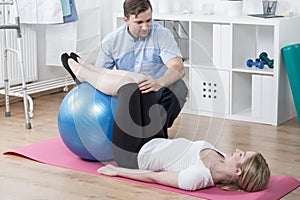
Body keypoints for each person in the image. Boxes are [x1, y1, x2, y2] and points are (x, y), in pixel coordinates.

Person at [61, 52, 270, 193]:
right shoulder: (223, 158)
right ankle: (89, 68)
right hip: (155, 139)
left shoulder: (197, 178)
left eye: (242, 155)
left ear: (237, 172)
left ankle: (82, 74)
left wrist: (118, 171)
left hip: (133, 154)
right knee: (143, 81)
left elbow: (154, 177)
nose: (238, 149)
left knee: (128, 86)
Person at [94, 0, 188, 135]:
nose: (145, 27)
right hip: (128, 94)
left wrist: (159, 83)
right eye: (139, 22)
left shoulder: (162, 34)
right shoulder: (111, 41)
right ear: (126, 20)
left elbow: (178, 68)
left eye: (148, 20)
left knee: (179, 87)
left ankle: (155, 133)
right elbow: (100, 75)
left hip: (157, 89)